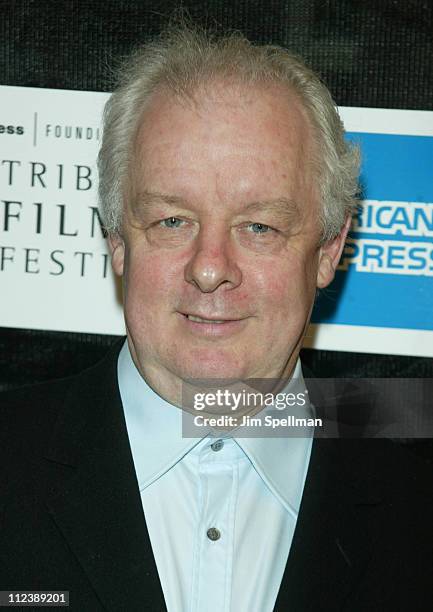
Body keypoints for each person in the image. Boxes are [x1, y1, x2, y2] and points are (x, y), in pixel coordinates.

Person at [0, 23, 431, 611]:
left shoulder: (416, 505)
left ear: (329, 249)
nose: (209, 269)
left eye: (260, 227)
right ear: (118, 239)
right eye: (172, 220)